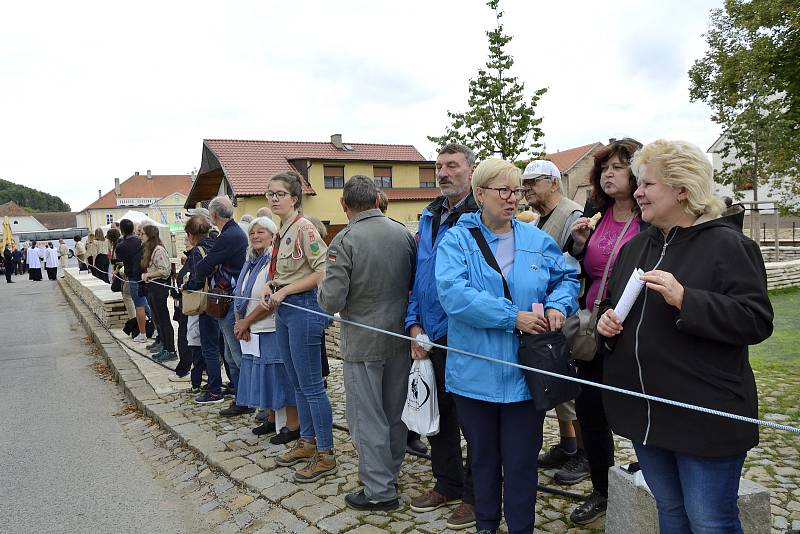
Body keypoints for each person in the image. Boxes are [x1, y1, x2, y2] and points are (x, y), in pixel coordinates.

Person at [597, 139, 773, 533]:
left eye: (648, 184)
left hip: (704, 415)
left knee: (711, 521)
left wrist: (686, 299)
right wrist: (606, 324)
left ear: (682, 189)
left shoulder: (729, 246)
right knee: (670, 512)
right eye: (638, 183)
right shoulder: (636, 248)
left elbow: (756, 320)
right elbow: (612, 309)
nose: (637, 192)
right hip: (647, 412)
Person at [436, 158, 579, 534]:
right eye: (503, 190)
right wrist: (510, 317)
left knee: (520, 462)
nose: (513, 198)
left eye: (517, 190)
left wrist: (556, 306)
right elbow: (453, 294)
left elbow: (566, 278)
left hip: (524, 377)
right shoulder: (456, 241)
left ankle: (521, 528)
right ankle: (486, 525)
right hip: (474, 376)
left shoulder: (536, 239)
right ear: (480, 193)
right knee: (483, 460)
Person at [318, 176, 416, 511]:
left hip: (362, 342)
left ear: (343, 205)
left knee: (366, 418)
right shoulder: (403, 233)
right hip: (400, 337)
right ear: (377, 200)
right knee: (394, 413)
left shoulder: (344, 241)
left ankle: (379, 490)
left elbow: (330, 300)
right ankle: (389, 473)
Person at [562, 137, 646, 524]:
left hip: (638, 330)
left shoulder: (651, 216)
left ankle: (653, 486)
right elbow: (581, 266)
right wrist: (580, 244)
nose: (608, 174)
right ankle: (602, 489)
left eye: (618, 167)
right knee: (591, 409)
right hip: (595, 329)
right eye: (605, 168)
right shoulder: (597, 210)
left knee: (643, 411)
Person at [405, 143, 478, 530]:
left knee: (473, 421)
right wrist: (413, 325)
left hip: (467, 337)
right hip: (430, 335)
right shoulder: (430, 215)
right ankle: (447, 483)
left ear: (471, 170)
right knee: (439, 415)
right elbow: (420, 276)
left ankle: (475, 495)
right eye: (439, 166)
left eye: (452, 165)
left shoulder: (479, 215)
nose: (444, 172)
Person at [259, 171, 336, 483]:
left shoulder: (304, 228)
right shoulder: (282, 230)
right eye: (270, 193)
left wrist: (284, 291)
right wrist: (269, 286)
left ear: (294, 198)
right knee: (297, 383)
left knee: (312, 386)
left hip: (303, 308)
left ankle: (326, 453)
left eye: (279, 194)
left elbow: (322, 271)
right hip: (285, 309)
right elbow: (280, 271)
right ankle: (307, 442)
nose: (274, 198)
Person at [521, 159, 587, 480]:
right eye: (525, 182)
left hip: (567, 312)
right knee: (556, 382)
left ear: (554, 182)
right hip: (544, 314)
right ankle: (568, 445)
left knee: (570, 385)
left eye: (533, 181)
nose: (526, 188)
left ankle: (585, 454)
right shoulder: (538, 219)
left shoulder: (571, 215)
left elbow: (572, 265)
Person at [232, 216, 300, 444]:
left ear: (272, 236)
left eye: (261, 232)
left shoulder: (274, 261)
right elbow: (240, 294)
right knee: (264, 377)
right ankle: (271, 418)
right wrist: (239, 320)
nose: (255, 236)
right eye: (252, 233)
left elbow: (269, 300)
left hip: (269, 326)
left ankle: (293, 425)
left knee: (280, 377)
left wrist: (245, 322)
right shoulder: (251, 261)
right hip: (252, 328)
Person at [377, 188, 428, 456]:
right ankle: (400, 433)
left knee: (413, 377)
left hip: (409, 313)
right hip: (392, 315)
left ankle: (412, 432)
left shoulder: (405, 236)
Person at [190, 196, 248, 412]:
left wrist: (201, 272)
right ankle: (241, 395)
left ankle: (244, 400)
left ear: (213, 215)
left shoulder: (228, 235)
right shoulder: (232, 232)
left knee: (234, 354)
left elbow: (205, 265)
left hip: (228, 298)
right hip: (228, 297)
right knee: (231, 353)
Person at [179, 215, 218, 395]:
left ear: (190, 234)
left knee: (208, 347)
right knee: (220, 348)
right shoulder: (216, 244)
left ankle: (213, 387)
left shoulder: (197, 251)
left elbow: (196, 279)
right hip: (220, 299)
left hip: (206, 303)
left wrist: (186, 286)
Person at [140, 225, 177, 362]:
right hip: (153, 287)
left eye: (142, 233)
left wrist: (148, 275)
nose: (140, 236)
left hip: (159, 288)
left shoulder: (158, 250)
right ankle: (166, 347)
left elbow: (165, 270)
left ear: (150, 235)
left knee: (164, 320)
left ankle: (171, 350)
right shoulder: (151, 249)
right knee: (159, 320)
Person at [114, 220, 151, 343]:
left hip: (133, 276)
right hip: (145, 275)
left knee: (139, 306)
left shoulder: (121, 245)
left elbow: (118, 258)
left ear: (122, 230)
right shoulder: (140, 241)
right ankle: (156, 329)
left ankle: (142, 333)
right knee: (147, 303)